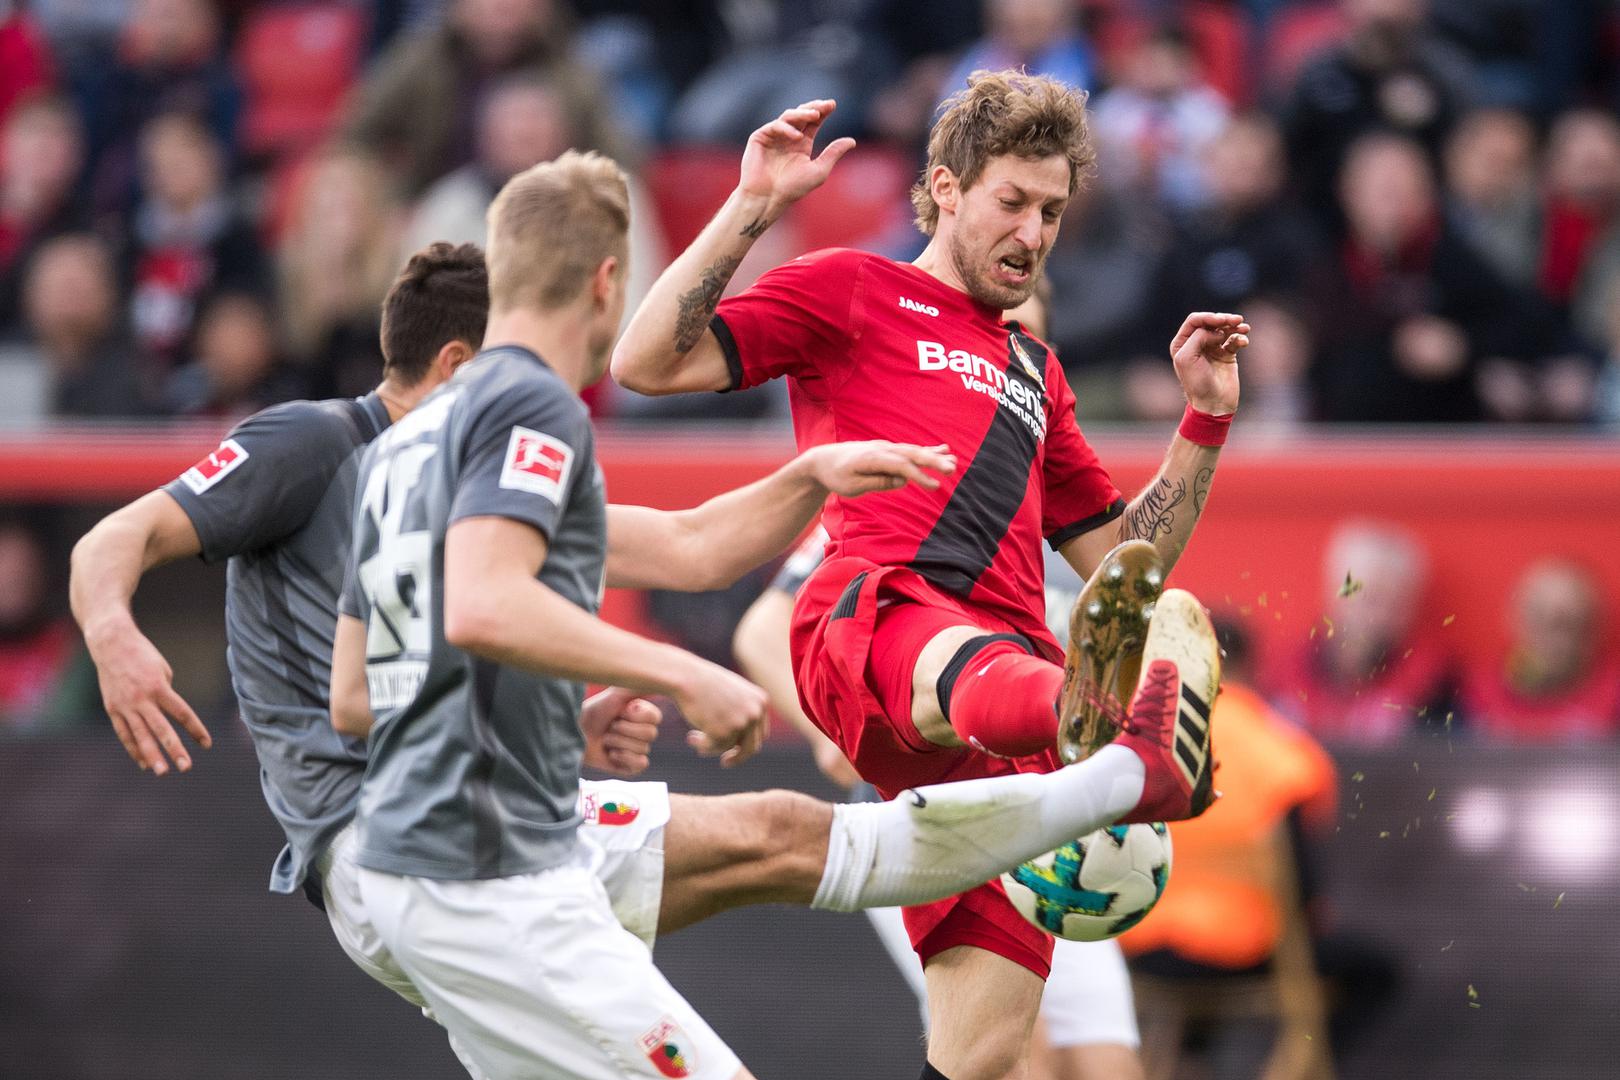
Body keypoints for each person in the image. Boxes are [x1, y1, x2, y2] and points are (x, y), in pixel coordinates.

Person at [72, 236, 1210, 1078]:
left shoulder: (487, 480)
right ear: (463, 364)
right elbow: (125, 547)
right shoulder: (317, 445)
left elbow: (692, 545)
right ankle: (1118, 771)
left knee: (785, 833)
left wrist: (808, 476)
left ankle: (1112, 778)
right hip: (414, 850)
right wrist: (116, 633)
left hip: (504, 815)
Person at [612, 73, 1234, 1080]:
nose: (1033, 233)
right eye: (1012, 202)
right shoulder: (852, 287)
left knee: (983, 1056)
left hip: (1003, 710)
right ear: (947, 188)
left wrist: (1203, 421)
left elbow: (1129, 570)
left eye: (1052, 213)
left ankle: (1088, 728)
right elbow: (645, 363)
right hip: (880, 622)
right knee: (978, 659)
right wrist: (753, 205)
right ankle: (1099, 729)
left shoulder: (1037, 372)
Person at [735, 524, 1146, 1080]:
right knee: (1009, 1056)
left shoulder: (1081, 511)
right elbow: (762, 628)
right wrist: (834, 736)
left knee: (1106, 1065)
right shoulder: (918, 489)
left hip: (1056, 823)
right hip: (939, 816)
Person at [1459, 558, 1620, 741]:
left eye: (1571, 622)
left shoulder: (1614, 698)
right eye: (1540, 617)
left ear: (1597, 628)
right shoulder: (1475, 697)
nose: (1555, 639)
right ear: (1514, 620)